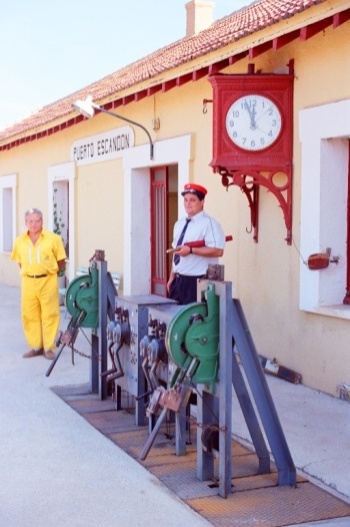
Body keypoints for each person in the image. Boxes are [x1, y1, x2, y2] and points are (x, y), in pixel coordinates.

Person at [11, 208, 66, 360]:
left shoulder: (53, 239)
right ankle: (36, 346)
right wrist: (30, 272)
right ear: (25, 223)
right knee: (30, 315)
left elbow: (61, 260)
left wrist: (49, 272)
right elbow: (19, 262)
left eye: (37, 220)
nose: (34, 224)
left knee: (50, 314)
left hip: (48, 280)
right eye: (30, 221)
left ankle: (48, 347)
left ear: (42, 221)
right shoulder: (19, 241)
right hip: (28, 282)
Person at [167, 183, 225, 305]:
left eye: (192, 200)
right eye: (186, 200)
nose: (188, 204)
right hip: (178, 281)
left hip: (196, 282)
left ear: (202, 201)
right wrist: (172, 277)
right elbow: (176, 252)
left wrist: (191, 250)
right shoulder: (179, 223)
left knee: (193, 321)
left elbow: (218, 250)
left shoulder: (209, 224)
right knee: (175, 320)